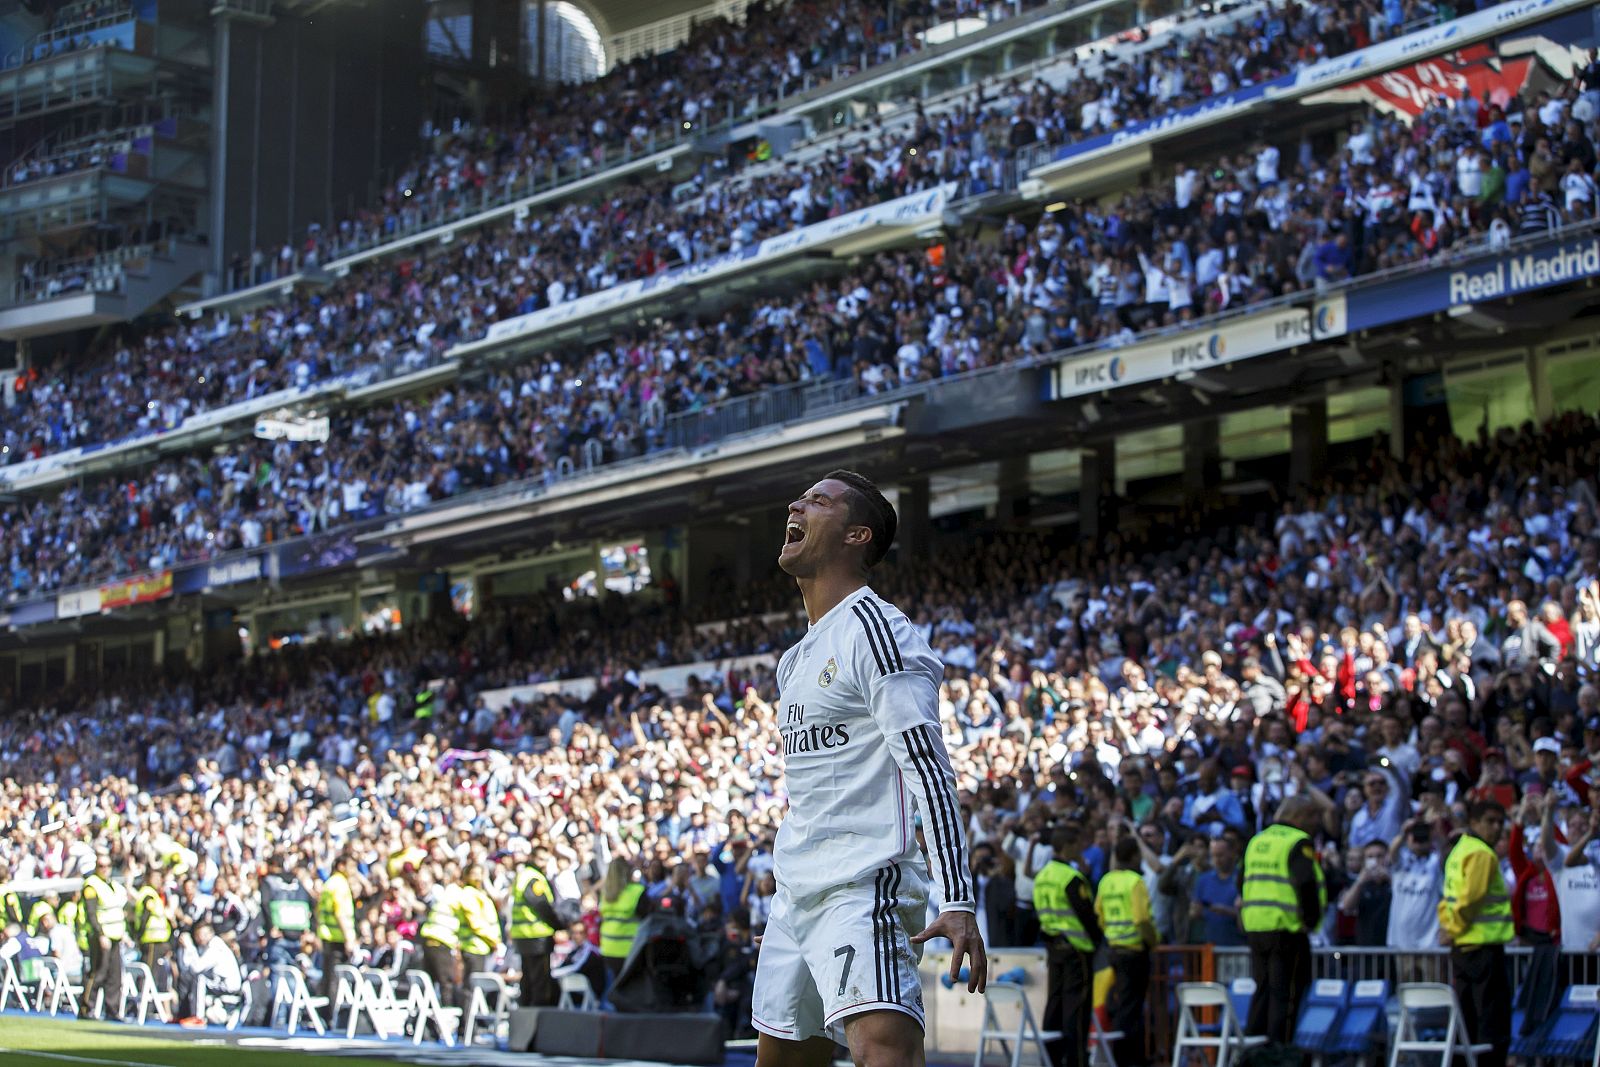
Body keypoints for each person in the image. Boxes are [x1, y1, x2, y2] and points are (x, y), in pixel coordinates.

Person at [751, 471, 985, 1067]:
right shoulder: (795, 658)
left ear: (857, 535)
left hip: (864, 883)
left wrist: (955, 897)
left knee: (883, 1055)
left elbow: (928, 767)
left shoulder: (877, 630)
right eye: (802, 496)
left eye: (819, 501)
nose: (797, 504)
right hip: (796, 894)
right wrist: (793, 896)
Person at [1240, 796, 1325, 1048]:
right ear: (1300, 815)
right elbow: (1306, 882)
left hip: (1256, 928)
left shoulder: (1257, 841)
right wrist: (1311, 920)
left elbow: (1240, 881)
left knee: (1263, 991)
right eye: (1313, 817)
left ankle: (1254, 1053)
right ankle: (1280, 1055)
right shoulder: (1297, 842)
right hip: (1286, 930)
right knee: (1285, 997)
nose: (1316, 823)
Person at [1440, 801, 1513, 1067]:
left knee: (1467, 1025)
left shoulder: (1458, 850)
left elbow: (1447, 899)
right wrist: (1454, 928)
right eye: (1490, 821)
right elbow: (1470, 900)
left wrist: (1449, 928)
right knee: (1491, 1028)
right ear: (1474, 822)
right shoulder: (1482, 853)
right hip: (1484, 952)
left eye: (1500, 822)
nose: (1496, 828)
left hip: (1463, 950)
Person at [1034, 823, 1103, 1067]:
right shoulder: (1071, 877)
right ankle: (1076, 1061)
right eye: (1076, 845)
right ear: (1067, 846)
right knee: (1077, 1007)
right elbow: (1086, 916)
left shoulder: (1042, 876)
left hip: (1053, 946)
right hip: (1077, 948)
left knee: (1054, 1002)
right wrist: (1097, 939)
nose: (1080, 849)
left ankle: (1051, 1060)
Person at [1095, 836, 1155, 1067]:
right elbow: (1142, 919)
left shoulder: (1106, 881)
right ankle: (1128, 1059)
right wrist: (1153, 941)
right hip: (1135, 951)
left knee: (1123, 1004)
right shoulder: (1135, 881)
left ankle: (1123, 1057)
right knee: (1131, 1008)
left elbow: (1099, 915)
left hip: (1114, 950)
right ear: (1133, 856)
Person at [510, 847, 562, 1007]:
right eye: (540, 859)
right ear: (532, 857)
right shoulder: (533, 878)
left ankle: (526, 1014)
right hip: (536, 937)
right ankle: (538, 1019)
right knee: (540, 983)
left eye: (546, 860)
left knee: (527, 981)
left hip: (523, 936)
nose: (543, 863)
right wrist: (558, 924)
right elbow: (541, 905)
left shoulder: (523, 875)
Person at [80, 852, 128, 1021]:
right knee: (98, 973)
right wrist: (100, 934)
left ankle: (112, 1010)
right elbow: (91, 913)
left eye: (108, 866)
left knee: (115, 976)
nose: (105, 869)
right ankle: (87, 1009)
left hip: (115, 935)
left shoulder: (113, 885)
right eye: (101, 866)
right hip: (102, 936)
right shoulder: (91, 885)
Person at [316, 851, 358, 1009]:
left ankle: (326, 1013)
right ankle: (334, 1014)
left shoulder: (329, 883)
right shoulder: (340, 885)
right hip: (337, 937)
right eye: (352, 867)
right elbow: (340, 912)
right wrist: (349, 938)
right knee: (336, 978)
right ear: (341, 866)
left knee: (328, 976)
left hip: (327, 935)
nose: (354, 871)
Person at [175, 921, 242, 1021]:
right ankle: (182, 1014)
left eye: (204, 934)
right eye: (198, 935)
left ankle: (198, 1018)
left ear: (211, 934)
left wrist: (189, 946)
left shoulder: (216, 946)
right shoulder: (203, 947)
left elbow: (197, 968)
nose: (201, 938)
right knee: (186, 978)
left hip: (228, 987)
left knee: (199, 979)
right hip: (217, 984)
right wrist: (183, 949)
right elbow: (186, 968)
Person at [418, 863, 463, 1010]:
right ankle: (446, 1017)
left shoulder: (445, 892)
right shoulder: (452, 892)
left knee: (433, 982)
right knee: (445, 982)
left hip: (434, 940)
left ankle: (430, 1019)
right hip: (440, 941)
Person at [599, 857, 647, 984]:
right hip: (630, 949)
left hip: (608, 948)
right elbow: (648, 916)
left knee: (616, 987)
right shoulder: (636, 891)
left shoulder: (605, 894)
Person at [457, 862, 502, 994]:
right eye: (474, 874)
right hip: (474, 947)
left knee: (477, 988)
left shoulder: (480, 894)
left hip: (482, 947)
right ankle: (469, 1014)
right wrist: (494, 940)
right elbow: (476, 923)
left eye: (480, 874)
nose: (477, 877)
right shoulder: (468, 894)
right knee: (472, 987)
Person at [133, 867, 176, 990]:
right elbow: (145, 917)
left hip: (157, 940)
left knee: (154, 972)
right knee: (149, 973)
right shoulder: (148, 894)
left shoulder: (155, 894)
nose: (158, 881)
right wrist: (139, 937)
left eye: (159, 878)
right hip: (151, 940)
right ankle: (145, 1003)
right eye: (155, 877)